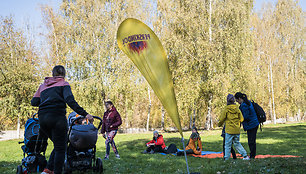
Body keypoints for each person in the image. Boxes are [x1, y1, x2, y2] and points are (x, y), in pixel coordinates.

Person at [31, 65, 93, 174]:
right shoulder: (64, 84)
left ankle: (48, 170)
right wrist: (85, 114)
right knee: (61, 147)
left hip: (43, 120)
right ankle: (56, 171)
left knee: (59, 144)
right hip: (57, 118)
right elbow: (70, 100)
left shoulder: (42, 86)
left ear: (53, 73)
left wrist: (46, 99)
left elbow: (34, 102)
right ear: (64, 74)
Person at [218, 94, 249, 160]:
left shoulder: (226, 109)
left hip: (229, 130)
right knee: (237, 143)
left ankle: (226, 158)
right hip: (236, 130)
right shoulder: (237, 109)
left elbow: (222, 119)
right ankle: (245, 156)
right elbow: (242, 119)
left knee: (227, 145)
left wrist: (219, 124)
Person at [235, 92, 259, 159]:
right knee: (252, 141)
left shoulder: (244, 105)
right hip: (254, 124)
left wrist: (238, 118)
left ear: (239, 98)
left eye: (237, 100)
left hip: (251, 125)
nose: (237, 102)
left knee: (251, 141)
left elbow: (245, 117)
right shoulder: (248, 102)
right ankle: (252, 155)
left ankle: (252, 156)